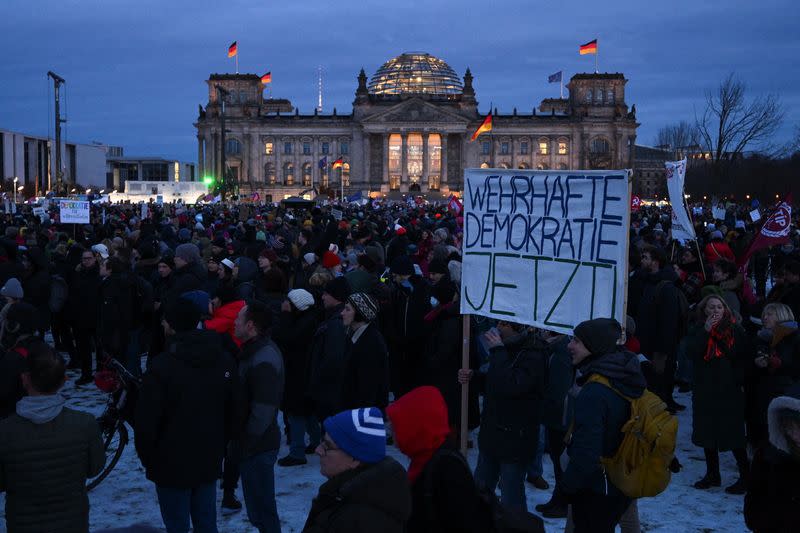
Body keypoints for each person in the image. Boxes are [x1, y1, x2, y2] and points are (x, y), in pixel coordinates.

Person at [135, 296, 240, 533]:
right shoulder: (222, 358)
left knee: (177, 525)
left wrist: (150, 459)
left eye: (164, 321)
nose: (162, 325)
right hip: (208, 456)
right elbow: (235, 408)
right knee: (205, 523)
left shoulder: (162, 366)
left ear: (171, 325)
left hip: (171, 462)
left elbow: (146, 422)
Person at [0, 342, 104, 533]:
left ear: (25, 379)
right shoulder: (85, 424)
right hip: (72, 523)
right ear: (64, 380)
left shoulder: (5, 431)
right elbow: (95, 467)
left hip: (24, 524)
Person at [561, 318, 646, 533]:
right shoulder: (621, 373)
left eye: (577, 341)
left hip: (598, 489)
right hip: (617, 483)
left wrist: (566, 488)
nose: (570, 345)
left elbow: (587, 451)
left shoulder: (596, 391)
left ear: (594, 346)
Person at [387, 386, 493, 533]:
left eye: (397, 426)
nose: (392, 432)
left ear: (415, 426)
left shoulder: (447, 468)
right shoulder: (424, 457)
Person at [473, 320, 548, 511]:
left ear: (517, 327)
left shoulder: (534, 354)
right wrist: (475, 378)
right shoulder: (505, 349)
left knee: (511, 498)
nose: (498, 327)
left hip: (516, 439)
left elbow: (513, 385)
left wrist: (497, 351)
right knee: (479, 491)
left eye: (504, 324)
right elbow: (496, 383)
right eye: (498, 322)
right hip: (492, 433)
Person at [302, 407, 411, 533]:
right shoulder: (349, 494)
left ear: (355, 459)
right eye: (322, 441)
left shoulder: (357, 519)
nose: (318, 450)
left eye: (328, 445)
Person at [686, 294, 751, 494]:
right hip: (705, 389)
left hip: (728, 389)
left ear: (725, 310)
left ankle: (746, 476)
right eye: (711, 307)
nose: (715, 311)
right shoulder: (698, 330)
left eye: (719, 307)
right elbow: (691, 352)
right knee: (707, 432)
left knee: (733, 434)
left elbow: (743, 357)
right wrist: (706, 332)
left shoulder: (735, 331)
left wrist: (738, 381)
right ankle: (712, 474)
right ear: (704, 311)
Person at [233, 300, 285, 533]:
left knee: (263, 510)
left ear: (251, 326)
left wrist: (247, 442)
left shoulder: (263, 357)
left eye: (239, 319)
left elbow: (263, 410)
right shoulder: (253, 351)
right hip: (252, 443)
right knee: (258, 509)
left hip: (258, 445)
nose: (234, 322)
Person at [273, 289, 320, 467]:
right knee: (307, 411)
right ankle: (316, 441)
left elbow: (286, 337)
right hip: (302, 372)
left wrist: (285, 316)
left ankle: (297, 451)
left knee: (296, 411)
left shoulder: (304, 323)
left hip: (298, 373)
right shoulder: (308, 319)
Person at [635, 244, 684, 411]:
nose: (641, 260)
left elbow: (668, 322)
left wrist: (662, 350)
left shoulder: (666, 287)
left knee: (660, 379)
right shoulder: (643, 280)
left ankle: (663, 407)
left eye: (645, 257)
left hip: (659, 344)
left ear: (655, 262)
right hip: (644, 340)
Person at [744, 385, 800, 532]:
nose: (794, 435)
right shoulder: (767, 456)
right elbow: (752, 507)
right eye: (789, 427)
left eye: (799, 428)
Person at [339, 292, 390, 411]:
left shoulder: (371, 342)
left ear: (359, 313)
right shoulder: (354, 335)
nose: (342, 313)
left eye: (347, 309)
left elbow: (368, 387)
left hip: (362, 415)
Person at [309, 277, 350, 422]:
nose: (322, 297)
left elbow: (332, 360)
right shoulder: (333, 318)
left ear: (336, 297)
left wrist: (316, 382)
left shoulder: (336, 324)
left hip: (329, 395)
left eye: (326, 294)